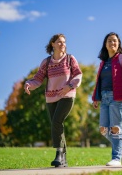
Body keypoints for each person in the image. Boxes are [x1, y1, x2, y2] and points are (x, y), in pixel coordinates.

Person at [24, 34, 82, 167]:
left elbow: (78, 74)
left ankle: (58, 153)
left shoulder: (70, 59)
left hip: (67, 95)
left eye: (64, 42)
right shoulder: (47, 62)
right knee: (57, 125)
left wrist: (70, 86)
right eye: (59, 42)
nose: (63, 44)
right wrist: (28, 84)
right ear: (53, 44)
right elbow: (38, 78)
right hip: (51, 98)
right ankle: (64, 160)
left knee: (57, 121)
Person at [92, 32, 122, 166]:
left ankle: (116, 158)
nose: (112, 43)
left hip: (118, 97)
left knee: (116, 128)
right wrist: (95, 97)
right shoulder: (103, 63)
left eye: (115, 41)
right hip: (104, 98)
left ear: (118, 44)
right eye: (110, 41)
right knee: (103, 129)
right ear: (105, 44)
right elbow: (99, 81)